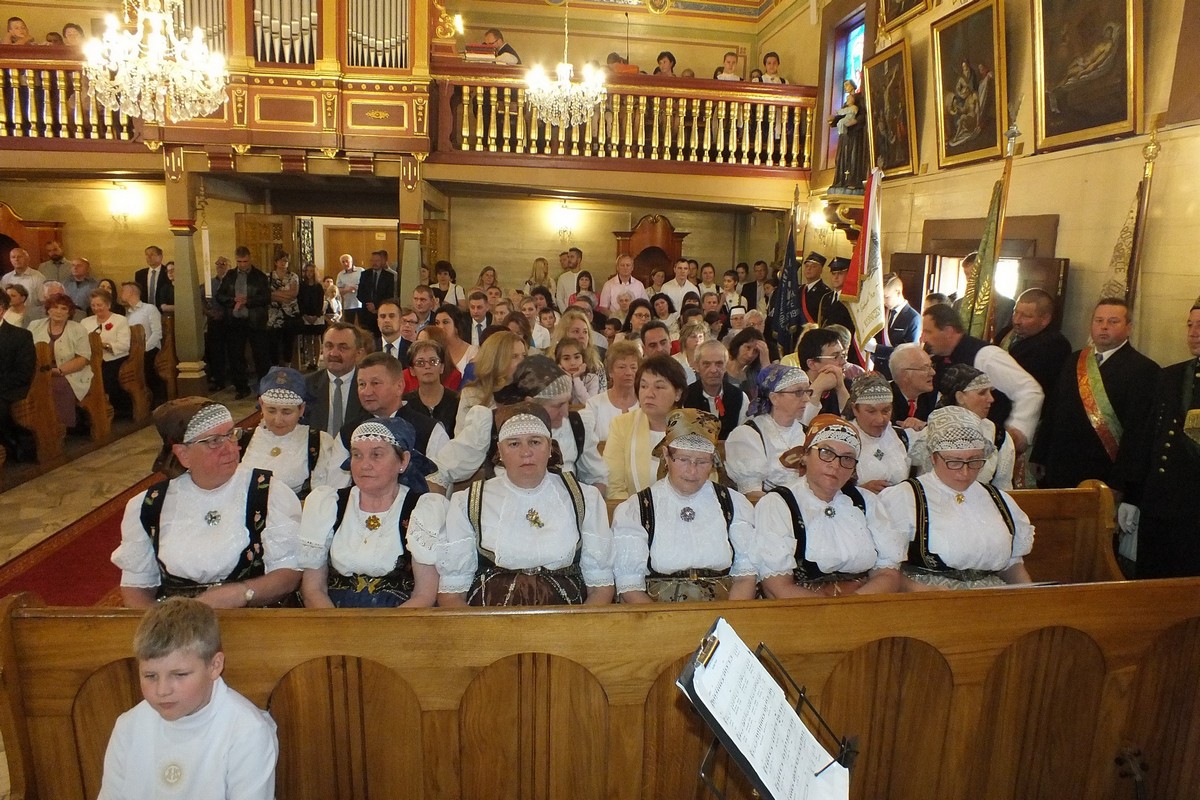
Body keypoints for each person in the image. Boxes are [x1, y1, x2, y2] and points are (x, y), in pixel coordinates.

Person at [112, 398, 303, 607]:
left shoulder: (267, 492)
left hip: (253, 615)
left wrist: (241, 593)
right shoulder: (149, 506)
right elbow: (136, 586)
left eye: (230, 435)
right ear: (183, 454)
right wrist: (162, 622)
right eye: (214, 441)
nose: (230, 448)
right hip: (177, 621)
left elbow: (290, 574)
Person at [97, 598, 278, 800]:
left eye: (180, 674)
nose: (162, 690)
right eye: (150, 676)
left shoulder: (247, 732)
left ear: (215, 666)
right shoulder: (128, 726)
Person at [437, 402, 614, 606]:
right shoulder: (468, 502)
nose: (526, 452)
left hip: (568, 617)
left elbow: (600, 587)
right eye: (514, 444)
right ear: (500, 451)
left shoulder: (585, 498)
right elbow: (452, 594)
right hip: (490, 619)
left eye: (535, 442)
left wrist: (576, 626)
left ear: (550, 447)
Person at [879, 405, 1035, 589]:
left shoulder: (998, 500)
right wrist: (928, 593)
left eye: (974, 461)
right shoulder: (905, 497)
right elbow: (886, 571)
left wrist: (1033, 596)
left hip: (991, 598)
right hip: (929, 598)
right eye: (954, 462)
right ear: (933, 458)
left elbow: (1012, 566)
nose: (965, 472)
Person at [612, 409, 758, 602]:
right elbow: (630, 586)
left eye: (702, 462)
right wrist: (664, 620)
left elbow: (745, 576)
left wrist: (727, 618)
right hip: (658, 612)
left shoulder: (732, 504)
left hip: (724, 609)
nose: (692, 471)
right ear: (666, 455)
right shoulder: (638, 509)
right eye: (683, 460)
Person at [754, 414, 903, 598]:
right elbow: (777, 587)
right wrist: (831, 611)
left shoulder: (867, 502)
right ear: (805, 455)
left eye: (847, 458)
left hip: (863, 605)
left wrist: (853, 604)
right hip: (801, 608)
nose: (835, 465)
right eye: (826, 452)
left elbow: (888, 574)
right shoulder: (778, 503)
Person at [299, 417, 441, 607]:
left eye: (376, 455)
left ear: (403, 460)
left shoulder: (421, 509)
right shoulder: (328, 504)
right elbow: (313, 590)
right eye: (357, 455)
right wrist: (335, 624)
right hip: (332, 616)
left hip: (400, 619)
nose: (364, 465)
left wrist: (381, 627)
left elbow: (424, 595)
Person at [1114, 296, 1200, 578]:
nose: (1193, 333)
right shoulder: (1172, 376)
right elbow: (1147, 437)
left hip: (1195, 509)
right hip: (1161, 504)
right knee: (1153, 582)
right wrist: (1133, 495)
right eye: (1190, 325)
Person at [1033, 296, 1157, 490]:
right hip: (1060, 465)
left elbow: (1137, 432)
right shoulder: (1075, 360)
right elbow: (1054, 409)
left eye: (1113, 322)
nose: (1104, 327)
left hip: (1103, 470)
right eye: (1099, 320)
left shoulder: (1144, 369)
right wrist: (1040, 454)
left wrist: (1121, 482)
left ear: (1129, 328)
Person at [922, 302, 1044, 454]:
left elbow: (1029, 390)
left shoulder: (986, 356)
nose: (923, 338)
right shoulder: (936, 359)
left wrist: (1017, 432)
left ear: (948, 331)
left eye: (928, 332)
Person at [239, 367, 336, 499]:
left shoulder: (318, 442)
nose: (278, 420)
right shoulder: (242, 440)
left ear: (301, 409)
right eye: (271, 411)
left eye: (287, 412)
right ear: (261, 405)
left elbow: (323, 496)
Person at [913, 364, 1014, 489]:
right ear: (960, 397)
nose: (991, 399)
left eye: (990, 392)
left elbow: (1003, 487)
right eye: (982, 393)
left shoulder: (998, 436)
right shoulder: (932, 433)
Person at [605, 355, 689, 499]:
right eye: (643, 386)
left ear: (678, 393)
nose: (649, 394)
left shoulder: (696, 428)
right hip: (633, 509)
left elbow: (705, 483)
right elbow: (614, 486)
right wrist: (636, 511)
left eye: (659, 387)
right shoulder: (622, 425)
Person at [725, 364, 811, 494]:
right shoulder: (749, 435)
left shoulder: (808, 433)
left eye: (808, 392)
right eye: (798, 392)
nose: (806, 399)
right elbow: (752, 495)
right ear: (774, 398)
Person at [28, 294, 92, 430]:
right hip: (39, 371)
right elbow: (26, 351)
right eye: (55, 307)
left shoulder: (78, 329)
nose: (58, 311)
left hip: (70, 372)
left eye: (63, 308)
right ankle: (35, 426)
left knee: (57, 387)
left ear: (69, 312)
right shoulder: (34, 325)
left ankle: (60, 427)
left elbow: (83, 358)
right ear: (48, 309)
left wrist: (59, 371)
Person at [995, 287, 1071, 398]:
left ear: (1045, 320)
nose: (1016, 320)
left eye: (1026, 316)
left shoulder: (1055, 346)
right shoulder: (1006, 332)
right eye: (1015, 312)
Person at [217, 246, 271, 400]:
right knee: (236, 355)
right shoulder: (230, 275)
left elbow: (266, 297)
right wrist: (232, 300)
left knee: (260, 355)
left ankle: (264, 388)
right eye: (239, 262)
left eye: (245, 261)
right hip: (235, 321)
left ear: (250, 259)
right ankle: (241, 387)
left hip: (255, 320)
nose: (242, 265)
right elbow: (220, 296)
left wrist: (248, 301)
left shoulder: (259, 276)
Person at [847, 372, 915, 493]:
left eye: (886, 411)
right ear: (855, 409)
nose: (880, 419)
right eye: (871, 411)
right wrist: (860, 491)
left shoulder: (899, 437)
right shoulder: (843, 441)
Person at [454, 329, 527, 431]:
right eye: (514, 356)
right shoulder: (471, 394)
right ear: (496, 359)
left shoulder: (529, 392)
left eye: (524, 355)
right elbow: (461, 436)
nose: (522, 362)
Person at [305, 322, 365, 436]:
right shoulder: (306, 385)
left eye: (343, 348)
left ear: (358, 353)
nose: (333, 353)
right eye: (329, 346)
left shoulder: (369, 387)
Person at [82, 288, 132, 418]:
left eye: (99, 305)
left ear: (108, 305)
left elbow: (125, 345)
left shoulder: (120, 320)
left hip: (114, 359)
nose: (96, 308)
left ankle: (114, 408)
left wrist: (105, 345)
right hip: (91, 359)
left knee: (106, 375)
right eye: (93, 305)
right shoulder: (85, 322)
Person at [683, 340, 748, 440]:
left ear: (726, 366)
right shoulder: (685, 397)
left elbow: (745, 437)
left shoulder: (740, 397)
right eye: (706, 364)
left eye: (719, 364)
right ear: (697, 366)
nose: (713, 370)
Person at [0, 287, 35, 460]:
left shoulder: (20, 336)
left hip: (10, 388)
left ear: (1, 309)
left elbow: (23, 372)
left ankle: (10, 443)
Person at [868, 273, 921, 378]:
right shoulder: (882, 312)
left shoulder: (913, 318)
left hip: (897, 374)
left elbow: (908, 353)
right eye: (881, 297)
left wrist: (876, 348)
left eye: (886, 297)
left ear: (898, 292)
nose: (883, 301)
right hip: (877, 371)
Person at [585, 339, 640, 441]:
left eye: (633, 367)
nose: (629, 372)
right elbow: (587, 445)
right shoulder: (594, 405)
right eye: (622, 367)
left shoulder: (646, 404)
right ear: (610, 371)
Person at [403, 338, 459, 437]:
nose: (427, 366)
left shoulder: (457, 400)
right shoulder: (405, 404)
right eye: (420, 363)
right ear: (412, 370)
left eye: (433, 361)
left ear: (442, 367)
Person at [889, 342, 936, 426]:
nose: (933, 372)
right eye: (925, 368)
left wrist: (925, 426)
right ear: (903, 374)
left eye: (931, 366)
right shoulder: (884, 399)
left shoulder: (935, 398)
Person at [433, 304, 477, 376]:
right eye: (437, 323)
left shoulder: (473, 352)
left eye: (445, 322)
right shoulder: (435, 351)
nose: (440, 327)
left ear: (457, 326)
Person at [134, 245, 171, 313]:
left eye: (152, 254)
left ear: (160, 256)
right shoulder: (140, 274)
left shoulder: (168, 272)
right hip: (144, 311)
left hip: (164, 311)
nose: (149, 257)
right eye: (147, 255)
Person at [555, 247, 583, 311]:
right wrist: (566, 312)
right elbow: (559, 299)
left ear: (579, 259)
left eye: (572, 257)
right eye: (568, 257)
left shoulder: (587, 276)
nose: (569, 260)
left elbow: (591, 296)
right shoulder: (562, 277)